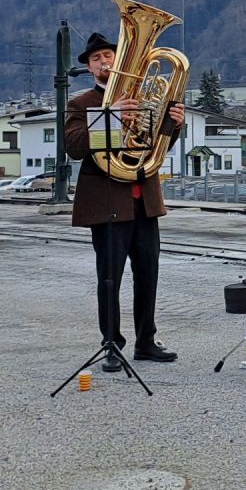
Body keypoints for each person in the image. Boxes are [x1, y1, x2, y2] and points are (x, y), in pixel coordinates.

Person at [65, 32, 185, 367]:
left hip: (143, 201)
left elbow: (154, 146)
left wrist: (173, 126)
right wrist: (112, 115)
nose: (104, 62)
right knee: (110, 278)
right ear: (89, 68)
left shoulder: (143, 98)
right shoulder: (82, 102)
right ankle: (111, 343)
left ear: (121, 60)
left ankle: (146, 340)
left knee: (148, 275)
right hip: (106, 203)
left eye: (109, 56)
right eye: (96, 59)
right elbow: (74, 147)